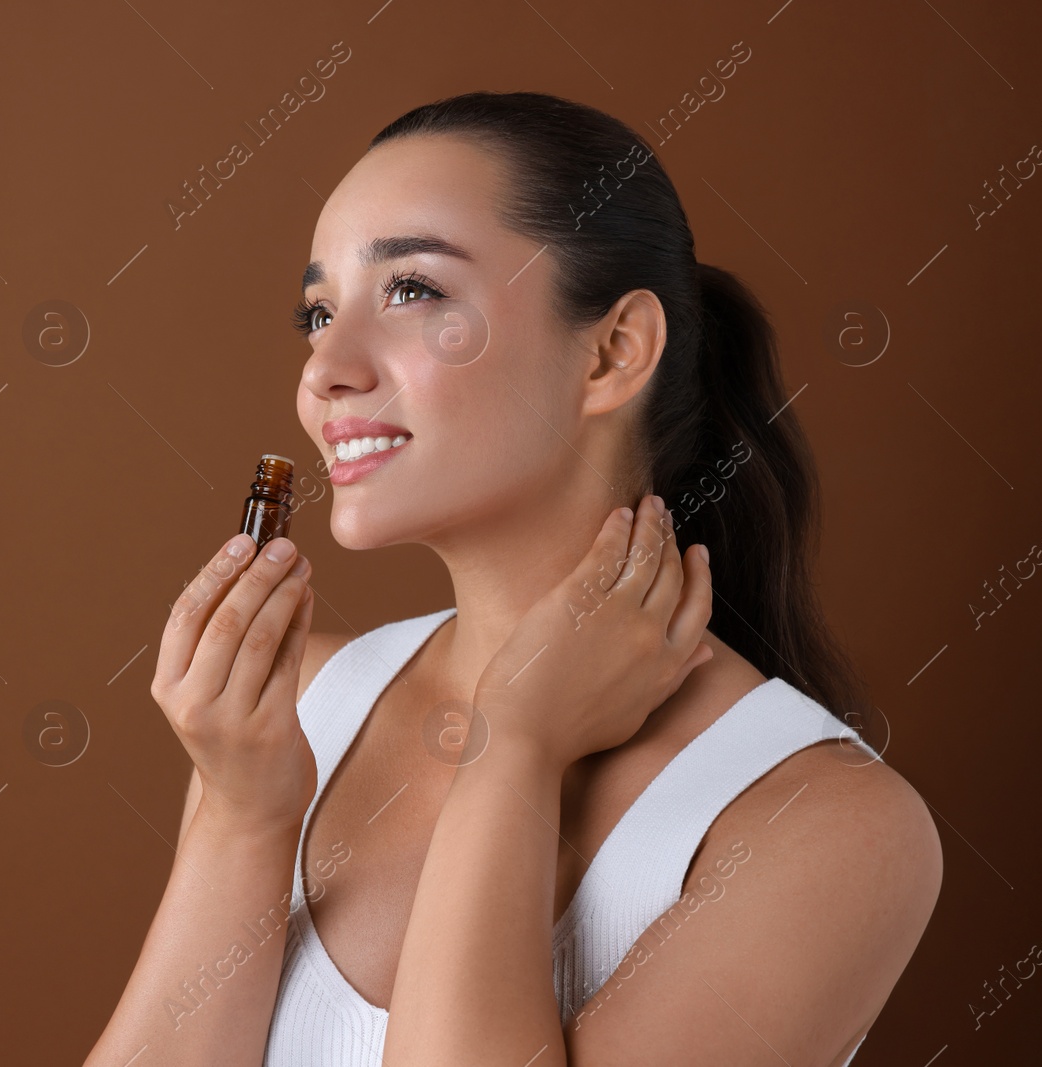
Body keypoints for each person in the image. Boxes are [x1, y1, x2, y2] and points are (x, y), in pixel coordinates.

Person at [85, 90, 941, 1067]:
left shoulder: (826, 828)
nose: (324, 366)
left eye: (412, 290)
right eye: (317, 312)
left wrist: (513, 752)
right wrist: (245, 817)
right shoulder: (291, 714)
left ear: (613, 351)